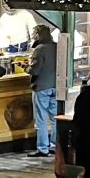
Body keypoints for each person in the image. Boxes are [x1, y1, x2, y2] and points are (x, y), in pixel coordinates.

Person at [27, 25, 60, 157]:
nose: (33, 35)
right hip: (55, 86)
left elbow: (35, 70)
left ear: (39, 35)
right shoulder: (57, 46)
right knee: (55, 118)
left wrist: (26, 68)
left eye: (34, 33)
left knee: (40, 119)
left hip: (41, 87)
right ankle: (54, 145)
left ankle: (42, 148)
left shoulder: (39, 49)